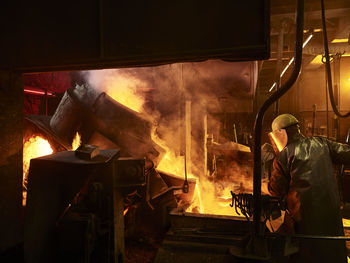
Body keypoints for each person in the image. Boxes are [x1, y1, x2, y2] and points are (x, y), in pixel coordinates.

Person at [268, 113, 350, 263]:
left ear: (280, 133)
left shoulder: (284, 156)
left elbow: (276, 191)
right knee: (333, 254)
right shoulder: (322, 143)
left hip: (305, 222)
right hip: (331, 217)